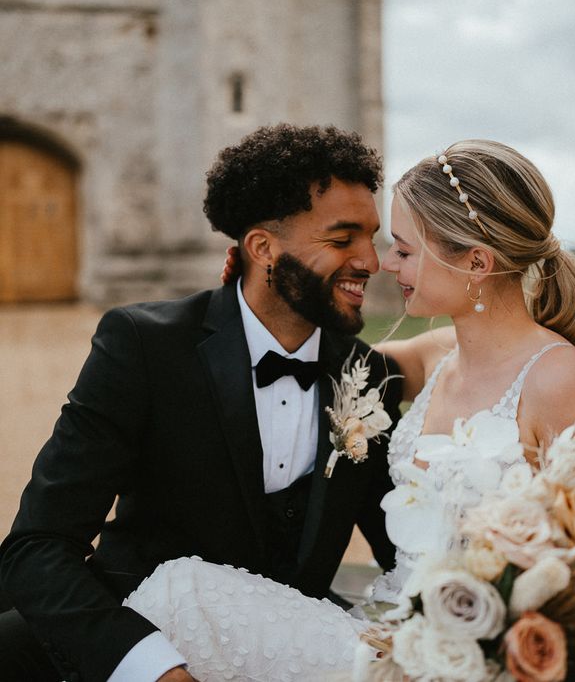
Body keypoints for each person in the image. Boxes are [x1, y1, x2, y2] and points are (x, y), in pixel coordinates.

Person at [125, 138, 575, 680]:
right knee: (175, 592)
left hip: (462, 658)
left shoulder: (562, 380)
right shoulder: (435, 359)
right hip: (384, 622)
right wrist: (258, 282)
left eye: (405, 251)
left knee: (180, 593)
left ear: (477, 262)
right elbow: (300, 359)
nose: (384, 264)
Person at [0, 124, 402, 682]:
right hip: (137, 632)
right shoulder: (144, 345)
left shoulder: (369, 375)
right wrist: (156, 670)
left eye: (372, 237)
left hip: (288, 652)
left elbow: (402, 548)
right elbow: (37, 547)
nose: (371, 262)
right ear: (263, 248)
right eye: (343, 239)